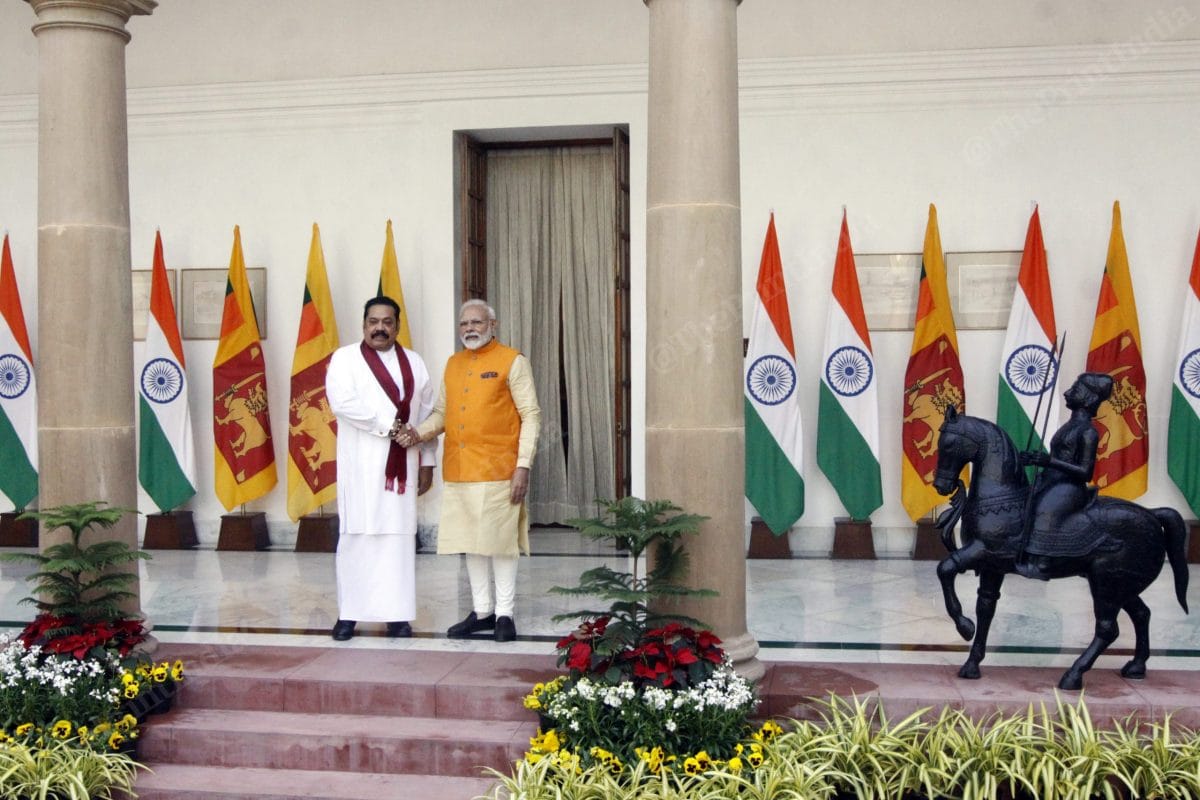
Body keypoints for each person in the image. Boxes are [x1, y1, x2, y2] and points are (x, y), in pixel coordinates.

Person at [398, 299, 540, 642]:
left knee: (501, 543)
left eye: (477, 322)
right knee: (472, 544)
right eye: (464, 324)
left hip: (499, 470)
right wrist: (418, 432)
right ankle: (482, 612)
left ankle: (504, 614)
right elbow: (442, 414)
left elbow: (531, 415)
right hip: (460, 470)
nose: (470, 329)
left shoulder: (512, 361)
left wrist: (523, 466)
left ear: (493, 324)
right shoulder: (453, 364)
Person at [324, 296, 436, 641]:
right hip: (360, 468)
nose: (380, 328)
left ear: (397, 327)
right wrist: (390, 427)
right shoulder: (344, 359)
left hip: (403, 470)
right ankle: (349, 615)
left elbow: (428, 414)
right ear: (363, 325)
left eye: (387, 322)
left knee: (397, 542)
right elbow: (343, 404)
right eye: (373, 321)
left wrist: (428, 461)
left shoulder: (414, 363)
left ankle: (397, 616)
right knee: (357, 538)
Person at [1018, 371, 1113, 571]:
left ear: (1088, 398)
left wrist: (1049, 461)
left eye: (1076, 389)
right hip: (1051, 481)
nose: (1067, 392)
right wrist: (1034, 459)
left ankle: (1042, 560)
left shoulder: (1088, 432)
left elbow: (1085, 472)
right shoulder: (1069, 426)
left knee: (1045, 508)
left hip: (1069, 487)